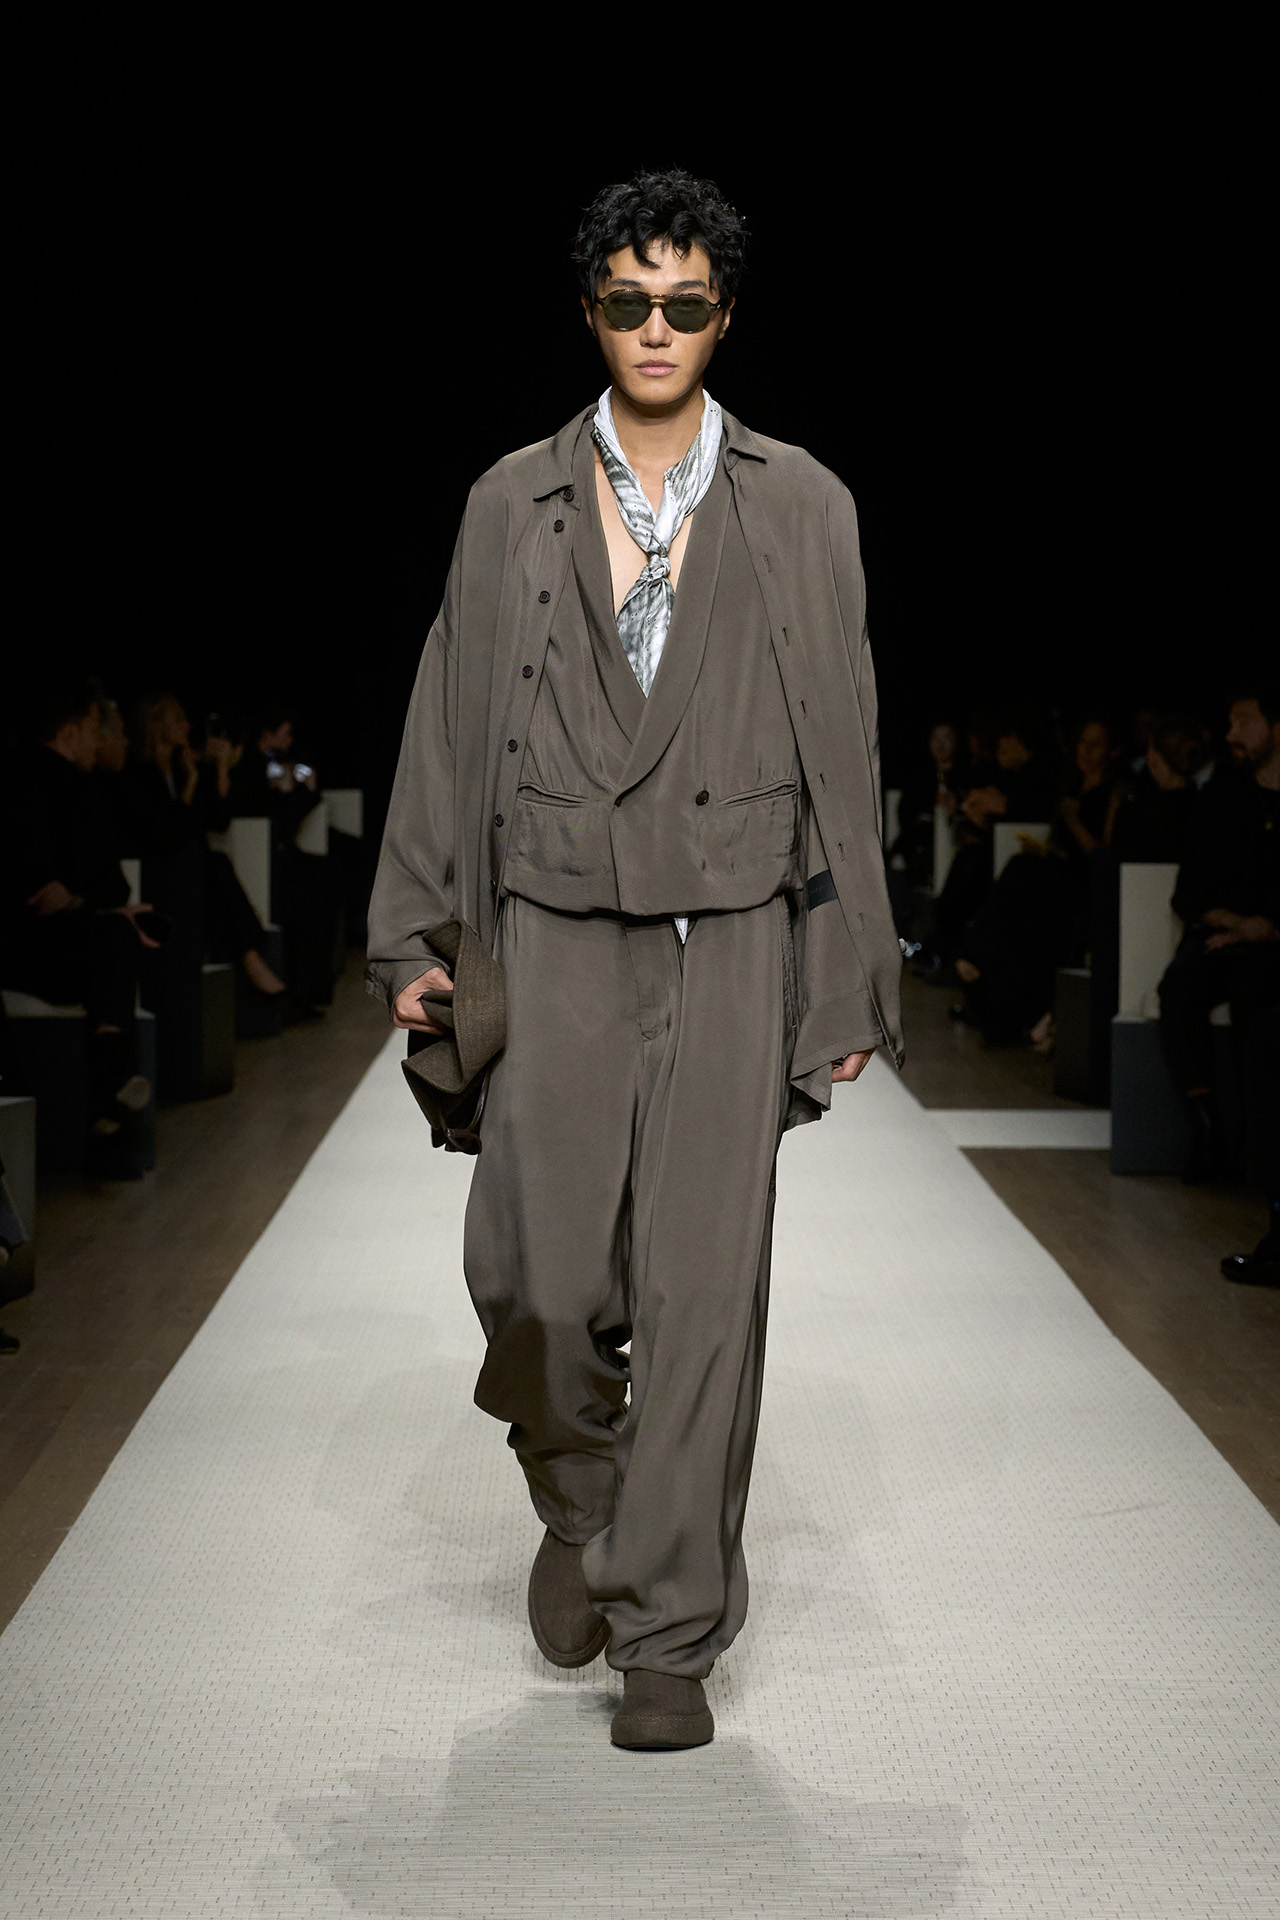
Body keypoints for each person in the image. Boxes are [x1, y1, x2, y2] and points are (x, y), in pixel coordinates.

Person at [365, 168, 903, 1752]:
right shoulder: (508, 501)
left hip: (732, 932)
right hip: (549, 927)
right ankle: (581, 1497)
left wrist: (844, 963)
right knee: (534, 1281)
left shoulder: (803, 504)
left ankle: (667, 1633)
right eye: (627, 299)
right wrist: (411, 933)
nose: (654, 327)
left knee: (700, 1295)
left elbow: (846, 744)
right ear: (590, 309)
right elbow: (446, 715)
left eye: (684, 303)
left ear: (724, 317)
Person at [0, 678, 157, 1178]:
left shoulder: (55, 785)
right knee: (117, 936)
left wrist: (74, 897)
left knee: (118, 934)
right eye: (92, 727)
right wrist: (82, 898)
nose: (98, 738)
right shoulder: (52, 788)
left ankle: (110, 1087)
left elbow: (101, 883)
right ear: (68, 731)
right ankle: (112, 1085)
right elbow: (75, 882)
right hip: (31, 943)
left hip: (53, 938)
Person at [1158, 686, 1280, 1181]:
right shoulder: (1223, 797)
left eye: (1244, 722)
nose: (1231, 734)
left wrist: (1266, 931)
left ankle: (1256, 1142)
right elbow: (1187, 893)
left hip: (1272, 943)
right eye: (1230, 722)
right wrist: (1236, 925)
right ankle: (1207, 1124)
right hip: (1219, 935)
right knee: (1179, 987)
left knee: (1257, 994)